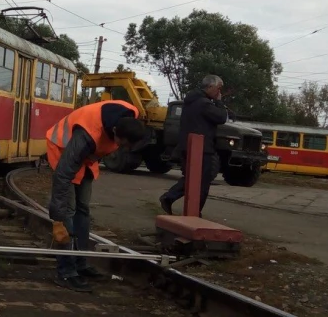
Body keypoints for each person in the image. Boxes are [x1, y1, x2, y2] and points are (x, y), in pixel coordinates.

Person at [46, 99, 146, 292]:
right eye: (122, 144)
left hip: (87, 157)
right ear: (115, 132)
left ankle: (80, 262)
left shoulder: (128, 120)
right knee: (68, 210)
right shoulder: (87, 134)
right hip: (63, 151)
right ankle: (66, 271)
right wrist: (57, 217)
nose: (123, 148)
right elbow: (62, 175)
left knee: (82, 209)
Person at [159, 74, 229, 217]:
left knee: (191, 177)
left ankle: (170, 197)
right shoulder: (204, 103)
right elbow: (221, 117)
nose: (219, 92)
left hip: (187, 146)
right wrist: (220, 103)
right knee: (203, 181)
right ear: (210, 87)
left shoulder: (191, 101)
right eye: (218, 88)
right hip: (202, 148)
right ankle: (194, 212)